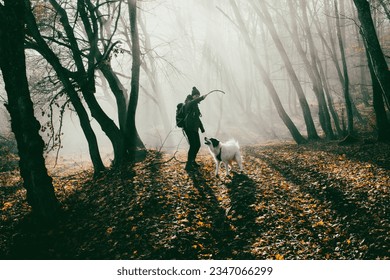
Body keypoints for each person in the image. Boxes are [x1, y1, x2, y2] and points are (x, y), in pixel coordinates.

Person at [183, 86, 207, 171]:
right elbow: (191, 103)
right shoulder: (188, 102)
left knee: (198, 145)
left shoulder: (195, 105)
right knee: (193, 145)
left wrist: (202, 128)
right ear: (193, 96)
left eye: (198, 95)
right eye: (196, 95)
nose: (197, 97)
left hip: (194, 128)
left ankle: (192, 161)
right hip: (188, 128)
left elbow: (197, 118)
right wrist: (201, 98)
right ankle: (188, 164)